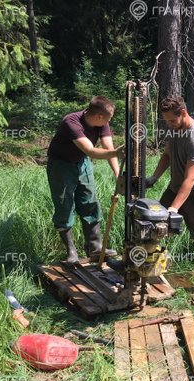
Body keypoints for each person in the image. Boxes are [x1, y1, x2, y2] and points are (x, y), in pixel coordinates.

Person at [146, 96, 194, 297]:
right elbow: (167, 155)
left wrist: (173, 208)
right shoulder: (175, 128)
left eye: (171, 120)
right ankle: (145, 267)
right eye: (166, 121)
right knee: (152, 223)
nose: (168, 124)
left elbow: (190, 180)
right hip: (176, 188)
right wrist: (153, 177)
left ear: (184, 114)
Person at [46, 95, 122, 264]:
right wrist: (117, 152)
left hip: (82, 162)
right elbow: (91, 151)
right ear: (99, 116)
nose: (109, 121)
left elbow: (108, 148)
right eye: (109, 118)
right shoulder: (71, 122)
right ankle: (71, 253)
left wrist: (118, 175)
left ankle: (95, 248)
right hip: (61, 165)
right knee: (65, 206)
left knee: (90, 201)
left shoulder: (102, 123)